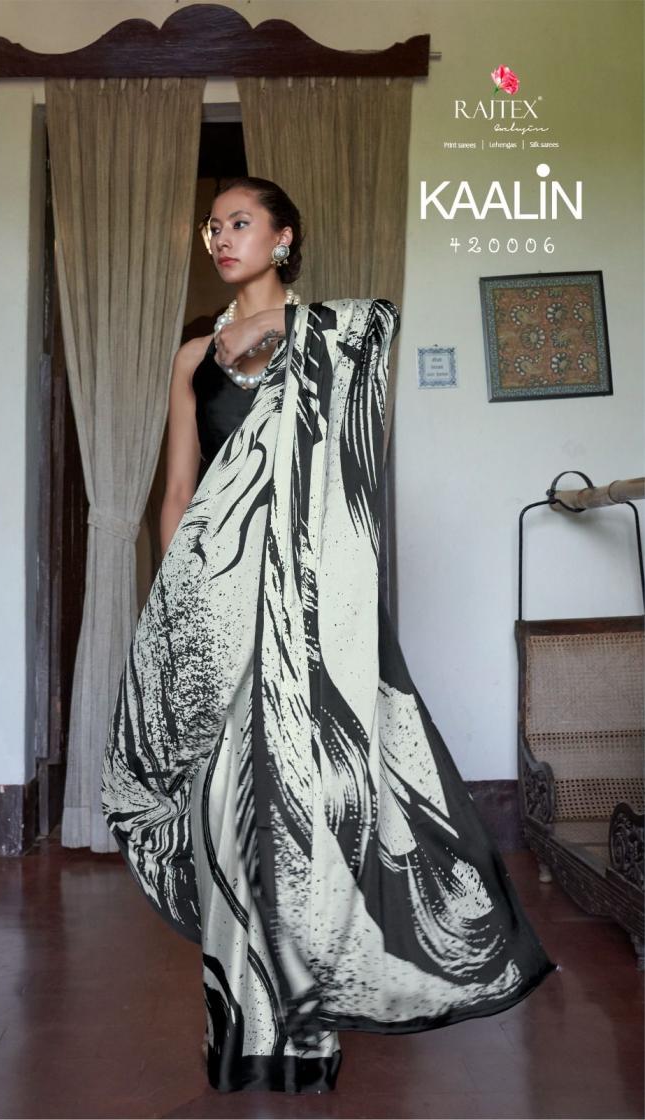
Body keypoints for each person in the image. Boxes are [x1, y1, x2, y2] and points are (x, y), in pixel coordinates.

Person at [101, 176, 558, 1096]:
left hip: (312, 613)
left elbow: (362, 402)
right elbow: (179, 495)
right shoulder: (192, 355)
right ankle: (240, 1029)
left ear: (283, 237)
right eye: (211, 227)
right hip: (214, 610)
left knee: (306, 811)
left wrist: (280, 323)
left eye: (239, 223)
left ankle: (306, 1034)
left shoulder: (334, 337)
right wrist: (173, 612)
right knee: (225, 817)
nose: (220, 238)